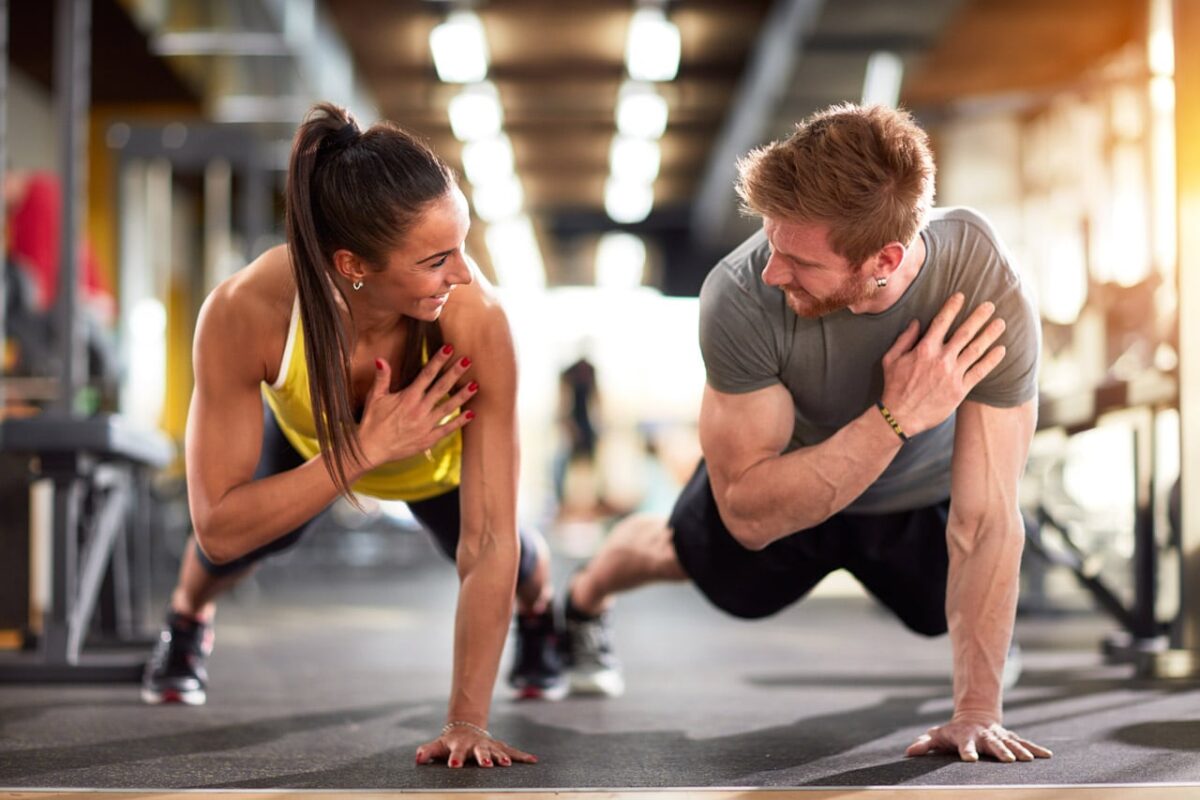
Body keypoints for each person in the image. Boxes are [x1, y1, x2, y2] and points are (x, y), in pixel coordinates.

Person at [560, 103, 1053, 764]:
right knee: (678, 554)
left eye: (797, 260)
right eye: (770, 243)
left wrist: (976, 710)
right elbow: (748, 518)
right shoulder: (738, 294)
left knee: (957, 598)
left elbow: (988, 519)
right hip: (784, 485)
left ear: (885, 258)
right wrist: (895, 418)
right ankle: (583, 601)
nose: (772, 270)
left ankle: (984, 640)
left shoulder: (985, 282)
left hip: (913, 500)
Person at [140, 103, 562, 768]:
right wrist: (362, 450)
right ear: (352, 263)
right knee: (235, 550)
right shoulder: (245, 311)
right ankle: (188, 618)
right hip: (315, 440)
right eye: (435, 259)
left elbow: (488, 540)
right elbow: (217, 523)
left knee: (520, 565)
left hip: (434, 456)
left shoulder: (477, 318)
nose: (462, 272)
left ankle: (543, 618)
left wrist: (467, 720)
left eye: (464, 244)